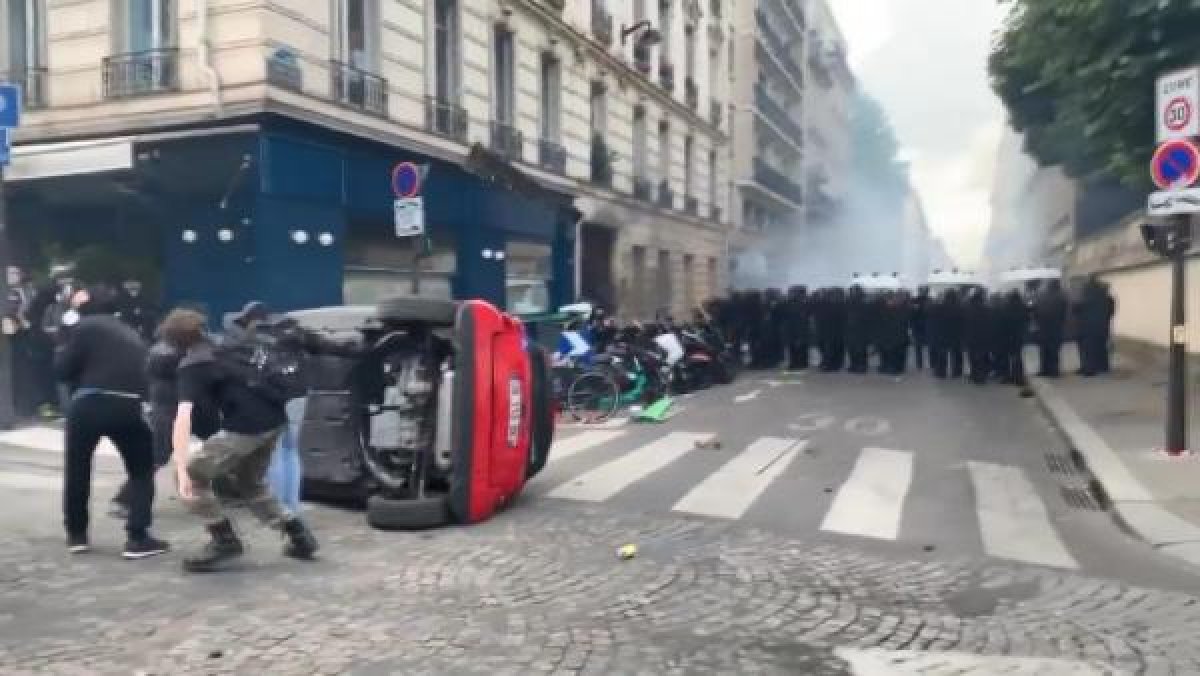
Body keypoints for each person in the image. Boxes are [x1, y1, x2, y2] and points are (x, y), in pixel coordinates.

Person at [164, 307, 318, 573]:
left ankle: (224, 539)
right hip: (274, 421)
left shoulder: (194, 365)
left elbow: (183, 417)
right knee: (251, 484)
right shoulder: (230, 346)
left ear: (176, 341)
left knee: (190, 476)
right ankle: (298, 534)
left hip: (245, 428)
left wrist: (180, 465)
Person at [54, 286, 169, 558]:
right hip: (128, 404)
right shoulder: (132, 335)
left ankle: (77, 534)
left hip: (88, 403)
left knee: (78, 469)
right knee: (141, 471)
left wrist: (63, 340)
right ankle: (138, 537)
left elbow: (62, 370)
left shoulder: (84, 328)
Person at [1034, 279, 1068, 377]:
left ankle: (1044, 370)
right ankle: (1054, 370)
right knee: (1054, 351)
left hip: (1044, 327)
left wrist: (1038, 322)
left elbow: (1037, 311)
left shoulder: (1041, 297)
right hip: (1056, 328)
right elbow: (1063, 313)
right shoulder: (1061, 297)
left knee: (1044, 350)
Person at [929, 288, 964, 379]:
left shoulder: (939, 307)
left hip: (942, 335)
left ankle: (941, 372)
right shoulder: (960, 308)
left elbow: (932, 318)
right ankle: (957, 372)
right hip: (957, 335)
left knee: (942, 355)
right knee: (957, 354)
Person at [963, 289, 991, 385]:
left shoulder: (968, 309)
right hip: (983, 336)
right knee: (982, 357)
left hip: (971, 336)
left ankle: (974, 374)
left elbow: (964, 323)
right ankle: (981, 376)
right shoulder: (986, 309)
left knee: (972, 356)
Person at [782, 286, 811, 371]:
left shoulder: (804, 303)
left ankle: (802, 362)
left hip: (801, 326)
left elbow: (806, 315)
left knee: (801, 345)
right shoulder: (789, 303)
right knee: (792, 345)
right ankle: (794, 362)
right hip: (791, 326)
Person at [845, 285, 870, 374]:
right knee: (852, 349)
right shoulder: (848, 301)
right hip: (850, 329)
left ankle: (862, 366)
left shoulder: (864, 302)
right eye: (852, 291)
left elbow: (868, 317)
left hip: (861, 329)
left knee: (860, 349)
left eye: (854, 291)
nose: (853, 293)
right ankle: (854, 365)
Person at [910, 286, 931, 371]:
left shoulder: (915, 301)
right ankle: (923, 364)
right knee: (921, 347)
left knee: (920, 347)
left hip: (920, 326)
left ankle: (920, 364)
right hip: (923, 326)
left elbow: (912, 314)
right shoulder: (929, 301)